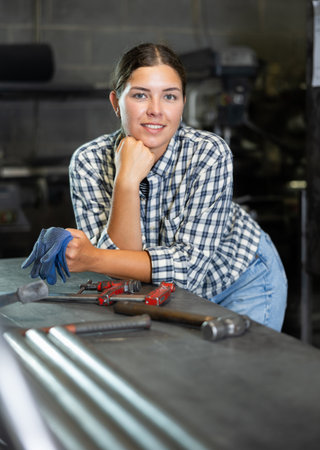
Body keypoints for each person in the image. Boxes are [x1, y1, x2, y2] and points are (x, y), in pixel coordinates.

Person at [66, 42, 287, 331]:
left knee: (238, 375)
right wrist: (126, 181)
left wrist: (94, 257)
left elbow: (188, 271)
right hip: (166, 294)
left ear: (183, 103)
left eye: (169, 96)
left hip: (242, 281)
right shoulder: (88, 161)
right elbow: (121, 279)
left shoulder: (209, 153)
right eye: (140, 95)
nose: (156, 110)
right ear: (115, 102)